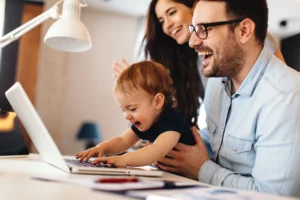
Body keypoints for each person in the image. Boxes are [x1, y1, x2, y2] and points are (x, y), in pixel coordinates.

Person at [157, 0, 300, 197]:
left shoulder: (286, 97)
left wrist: (201, 169)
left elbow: (273, 195)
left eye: (204, 29)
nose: (192, 42)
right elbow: (220, 139)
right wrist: (169, 147)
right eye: (194, 29)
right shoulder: (218, 81)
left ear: (244, 30)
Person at [76, 61, 195, 167]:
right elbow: (123, 140)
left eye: (132, 109)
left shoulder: (172, 122)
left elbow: (157, 150)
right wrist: (101, 148)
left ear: (158, 101)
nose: (126, 116)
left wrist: (124, 159)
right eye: (123, 110)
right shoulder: (147, 120)